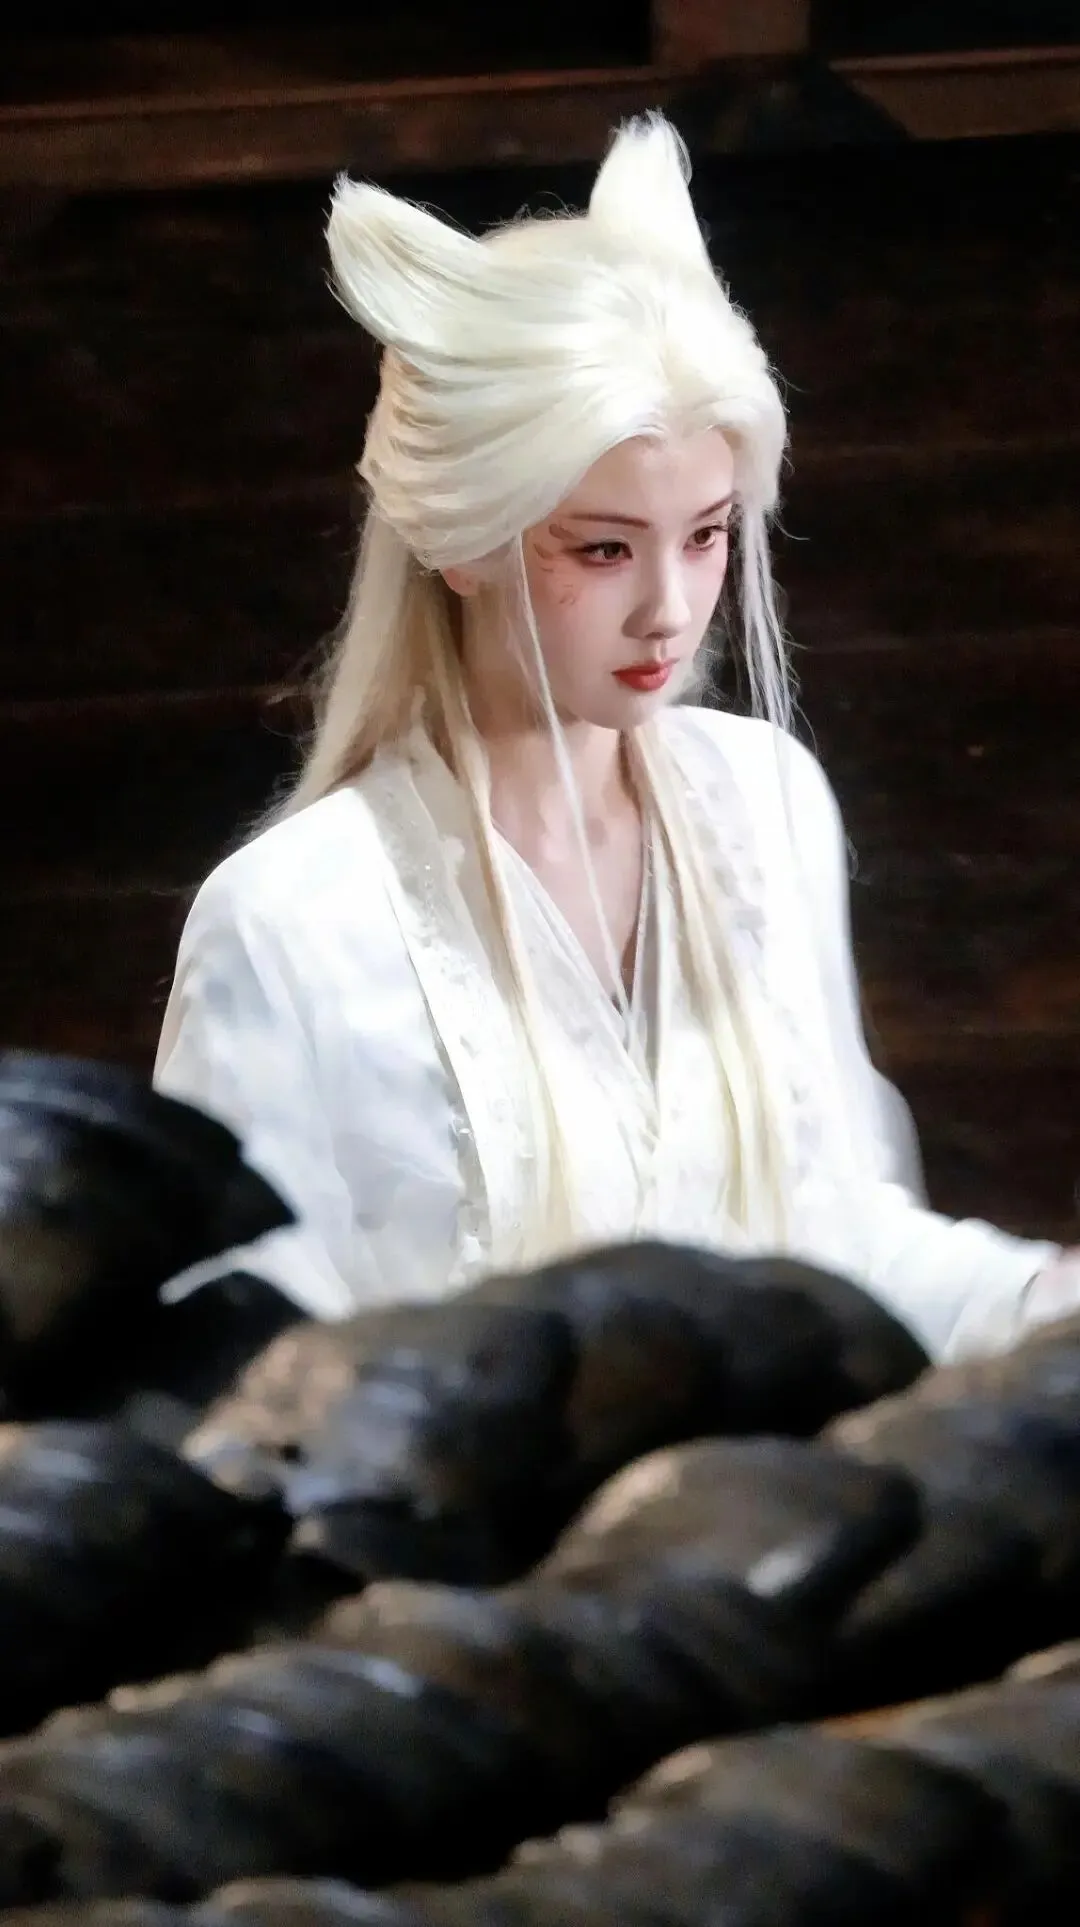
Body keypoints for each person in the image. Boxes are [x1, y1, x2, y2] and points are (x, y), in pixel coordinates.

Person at [154, 114, 1079, 1363]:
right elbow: (234, 1371)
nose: (670, 609)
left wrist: (1046, 1296)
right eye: (602, 548)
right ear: (465, 541)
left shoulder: (764, 804)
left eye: (706, 535)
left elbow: (847, 1239)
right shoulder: (294, 922)